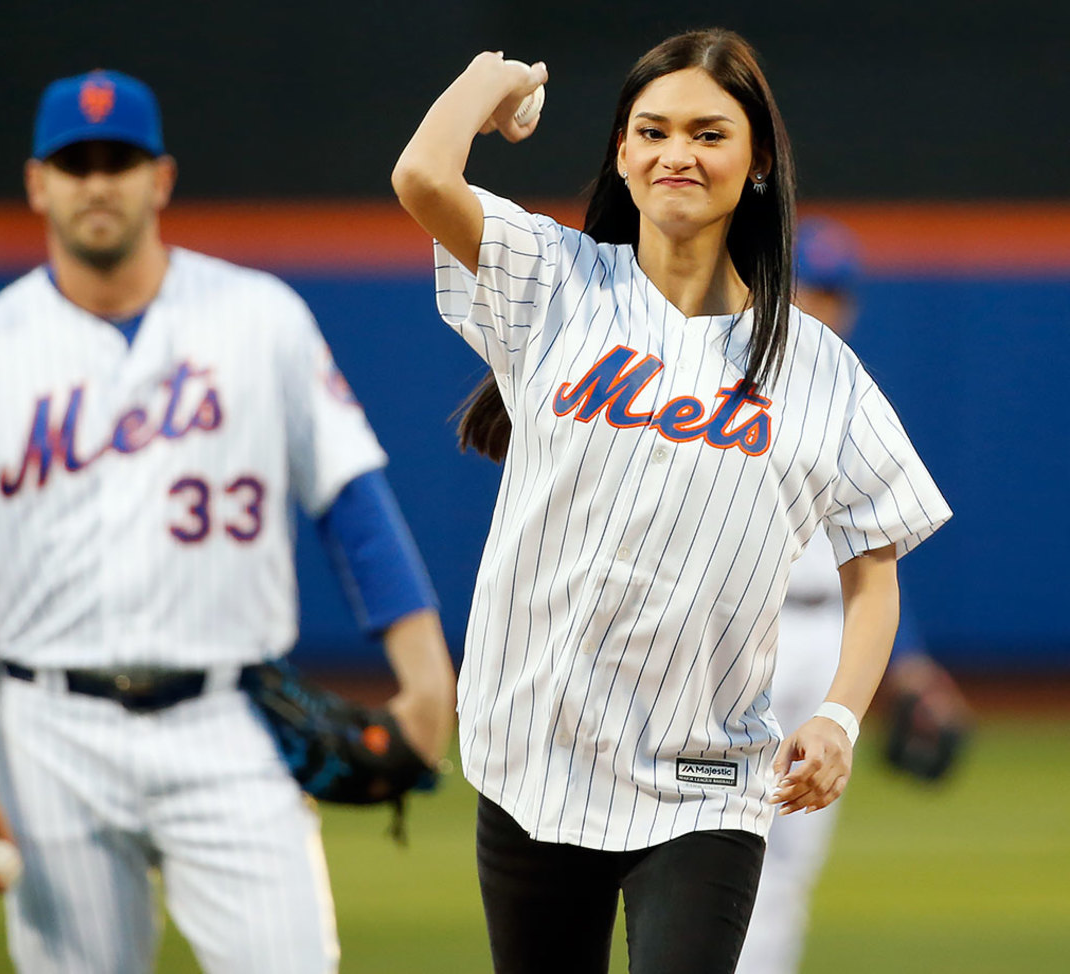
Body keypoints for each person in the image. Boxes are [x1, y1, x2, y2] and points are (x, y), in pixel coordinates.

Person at [392, 29, 951, 974]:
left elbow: (874, 571)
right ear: (621, 152)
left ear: (758, 160)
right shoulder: (556, 281)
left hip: (707, 776)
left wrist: (841, 716)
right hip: (537, 753)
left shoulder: (816, 366)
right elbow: (421, 176)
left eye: (708, 131)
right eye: (651, 130)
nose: (676, 153)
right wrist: (488, 84)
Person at [0, 69, 455, 973]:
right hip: (49, 734)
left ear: (162, 178)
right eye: (76, 163)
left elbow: (354, 504)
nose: (98, 182)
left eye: (120, 160)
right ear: (38, 183)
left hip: (231, 719)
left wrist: (425, 673)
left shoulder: (258, 318)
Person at [735, 217, 972, 974]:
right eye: (806, 285)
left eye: (833, 292)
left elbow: (869, 563)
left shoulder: (850, 402)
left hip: (828, 641)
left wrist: (909, 665)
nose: (820, 305)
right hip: (743, 640)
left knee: (791, 862)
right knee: (717, 849)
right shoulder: (720, 391)